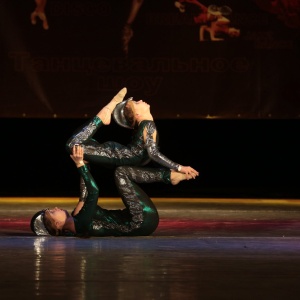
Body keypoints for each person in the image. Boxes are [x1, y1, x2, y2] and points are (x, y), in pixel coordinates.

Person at [31, 145, 194, 237]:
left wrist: (84, 164)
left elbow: (85, 195)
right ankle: (168, 177)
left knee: (121, 172)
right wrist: (81, 166)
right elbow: (94, 192)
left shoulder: (77, 216)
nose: (56, 208)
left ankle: (169, 176)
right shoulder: (80, 225)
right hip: (141, 221)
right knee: (121, 172)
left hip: (140, 221)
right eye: (52, 212)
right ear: (57, 225)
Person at [65, 87, 199, 178]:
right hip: (120, 155)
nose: (140, 100)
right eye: (136, 102)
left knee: (73, 145)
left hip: (120, 155)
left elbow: (151, 153)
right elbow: (152, 154)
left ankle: (104, 115)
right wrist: (179, 168)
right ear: (138, 114)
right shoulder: (148, 125)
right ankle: (107, 111)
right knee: (75, 145)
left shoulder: (147, 125)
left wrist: (174, 170)